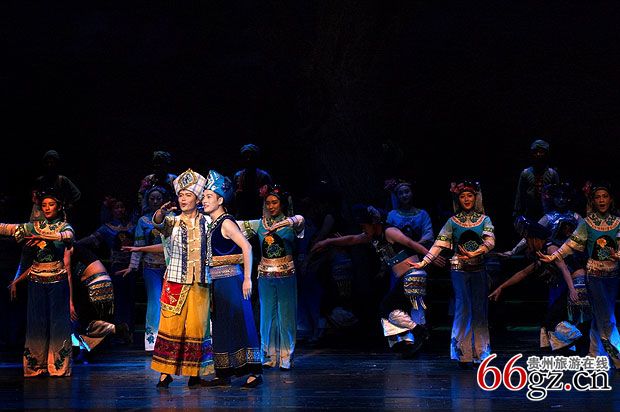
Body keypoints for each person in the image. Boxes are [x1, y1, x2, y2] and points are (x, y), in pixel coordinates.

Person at [312, 204, 444, 357]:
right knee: (399, 310)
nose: (363, 229)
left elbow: (410, 243)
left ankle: (418, 332)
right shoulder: (372, 236)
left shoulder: (390, 231)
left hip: (412, 274)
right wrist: (327, 242)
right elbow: (351, 239)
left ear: (374, 224)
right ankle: (407, 342)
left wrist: (430, 256)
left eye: (365, 225)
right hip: (405, 277)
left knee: (387, 308)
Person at [412, 181, 495, 368]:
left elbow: (490, 242)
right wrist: (424, 262)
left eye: (470, 195)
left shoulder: (484, 220)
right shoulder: (452, 222)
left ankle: (481, 354)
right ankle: (463, 354)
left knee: (480, 309)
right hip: (459, 268)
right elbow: (438, 245)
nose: (466, 199)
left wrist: (476, 252)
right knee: (462, 308)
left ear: (475, 197)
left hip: (479, 267)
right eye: (462, 196)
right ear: (458, 199)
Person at [538, 182, 620, 369]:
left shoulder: (617, 222)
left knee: (602, 316)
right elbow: (570, 244)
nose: (601, 200)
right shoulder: (587, 223)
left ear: (610, 200)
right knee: (606, 317)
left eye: (605, 197)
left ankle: (594, 356)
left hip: (613, 276)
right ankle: (616, 356)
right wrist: (553, 257)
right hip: (594, 276)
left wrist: (617, 255)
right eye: (598, 197)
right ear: (593, 201)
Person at [150, 169, 213, 388]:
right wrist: (161, 212)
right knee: (171, 325)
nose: (183, 199)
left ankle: (194, 373)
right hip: (176, 281)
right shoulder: (173, 222)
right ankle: (165, 373)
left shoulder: (208, 222)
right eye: (181, 195)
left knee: (197, 326)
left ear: (198, 199)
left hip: (200, 281)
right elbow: (158, 224)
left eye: (188, 195)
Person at [1, 191, 75, 377]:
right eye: (44, 205)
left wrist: (43, 237)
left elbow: (67, 236)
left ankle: (58, 366)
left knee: (59, 324)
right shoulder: (34, 226)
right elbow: (7, 228)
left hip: (57, 279)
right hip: (36, 279)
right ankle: (35, 366)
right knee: (36, 323)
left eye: (51, 204)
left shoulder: (64, 226)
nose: (47, 208)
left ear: (59, 207)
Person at [201, 170, 263, 388]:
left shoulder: (226, 222)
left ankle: (254, 371)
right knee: (221, 326)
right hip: (217, 282)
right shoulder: (213, 224)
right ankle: (224, 372)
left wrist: (247, 278)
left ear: (220, 200)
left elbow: (247, 247)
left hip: (231, 280)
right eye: (204, 196)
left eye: (209, 196)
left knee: (240, 323)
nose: (204, 200)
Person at [489, 217, 583, 354]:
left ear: (534, 239)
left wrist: (572, 290)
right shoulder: (543, 253)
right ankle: (556, 349)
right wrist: (501, 287)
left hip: (578, 283)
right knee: (548, 321)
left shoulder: (551, 248)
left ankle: (578, 341)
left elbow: (564, 269)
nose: (527, 244)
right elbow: (523, 273)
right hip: (572, 285)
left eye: (528, 240)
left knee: (553, 319)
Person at [238, 184, 304, 370]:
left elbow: (300, 220)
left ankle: (286, 356)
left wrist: (281, 224)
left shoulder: (291, 224)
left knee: (286, 315)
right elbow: (235, 226)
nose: (271, 206)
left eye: (275, 202)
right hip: (265, 275)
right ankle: (269, 355)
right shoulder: (260, 224)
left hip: (286, 274)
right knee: (267, 315)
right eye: (268, 203)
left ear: (282, 204)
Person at [119, 186, 170, 351]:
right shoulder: (143, 221)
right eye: (152, 198)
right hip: (151, 266)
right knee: (155, 301)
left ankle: (170, 339)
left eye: (158, 198)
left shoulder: (173, 218)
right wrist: (132, 266)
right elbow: (138, 244)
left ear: (164, 200)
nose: (155, 201)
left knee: (170, 302)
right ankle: (152, 341)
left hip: (171, 266)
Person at [30, 150, 81, 223]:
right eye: (47, 162)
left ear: (57, 164)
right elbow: (35, 198)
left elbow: (76, 195)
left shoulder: (62, 180)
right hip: (42, 216)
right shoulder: (40, 181)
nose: (49, 165)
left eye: (52, 162)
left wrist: (66, 205)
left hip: (59, 217)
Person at [513, 139, 560, 219]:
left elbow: (557, 195)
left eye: (541, 152)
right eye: (536, 152)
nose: (538, 154)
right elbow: (520, 196)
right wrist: (517, 214)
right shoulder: (525, 173)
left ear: (546, 154)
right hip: (529, 214)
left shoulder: (553, 174)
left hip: (548, 215)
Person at [233, 144, 273, 219]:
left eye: (251, 156)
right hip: (242, 214)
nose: (248, 159)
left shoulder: (264, 176)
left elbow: (269, 198)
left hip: (259, 214)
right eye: (246, 157)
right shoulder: (238, 176)